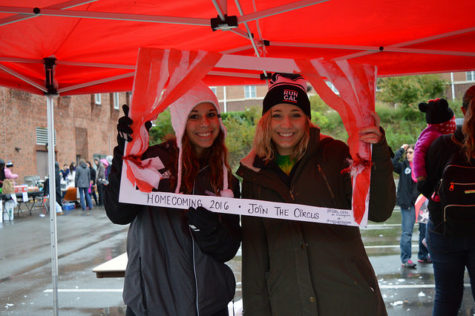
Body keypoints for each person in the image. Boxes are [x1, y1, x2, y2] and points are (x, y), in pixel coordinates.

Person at [237, 73, 396, 316]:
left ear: (307, 119)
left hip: (348, 300)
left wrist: (379, 155)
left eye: (295, 115)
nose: (286, 125)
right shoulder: (254, 174)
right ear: (265, 121)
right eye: (276, 115)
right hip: (288, 304)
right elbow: (255, 258)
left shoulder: (334, 154)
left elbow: (378, 211)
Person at [105, 82, 241, 316]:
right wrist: (125, 151)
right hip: (151, 306)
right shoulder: (153, 161)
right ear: (179, 119)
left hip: (208, 308)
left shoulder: (225, 178)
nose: (205, 123)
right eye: (194, 116)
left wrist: (206, 228)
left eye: (211, 114)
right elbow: (119, 212)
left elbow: (227, 249)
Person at [419, 85, 475, 316]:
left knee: (446, 298)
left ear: (462, 109)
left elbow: (428, 188)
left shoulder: (441, 144)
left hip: (443, 230)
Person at [391, 144, 430, 269]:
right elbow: (392, 163)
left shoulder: (422, 166)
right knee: (407, 233)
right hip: (407, 205)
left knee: (424, 231)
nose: (408, 154)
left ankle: (423, 256)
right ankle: (406, 259)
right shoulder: (403, 166)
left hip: (421, 202)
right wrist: (401, 149)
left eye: (411, 152)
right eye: (407, 152)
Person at [413, 98, 456, 182]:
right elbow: (418, 151)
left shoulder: (439, 132)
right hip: (433, 178)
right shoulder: (432, 134)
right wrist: (420, 174)